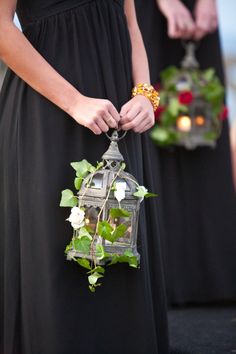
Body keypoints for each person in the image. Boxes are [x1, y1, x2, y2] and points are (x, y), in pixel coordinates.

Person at [0, 1, 169, 353]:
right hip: (50, 107)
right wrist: (74, 102)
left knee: (121, 240)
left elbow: (129, 22)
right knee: (57, 247)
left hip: (119, 110)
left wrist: (144, 94)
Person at [136, 0, 236, 305]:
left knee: (205, 124)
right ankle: (160, 279)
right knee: (148, 126)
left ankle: (212, 278)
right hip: (144, 11)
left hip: (197, 9)